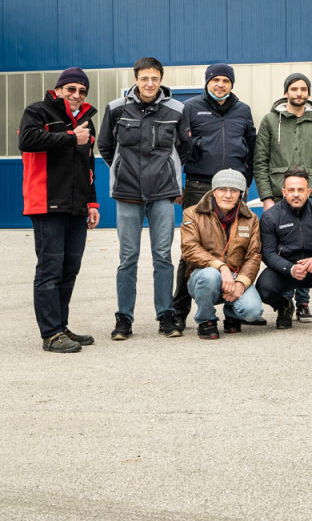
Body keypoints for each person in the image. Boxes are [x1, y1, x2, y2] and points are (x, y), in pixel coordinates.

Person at [98, 57, 191, 340]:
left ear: (161, 79)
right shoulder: (116, 108)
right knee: (128, 258)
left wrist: (167, 172)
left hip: (163, 194)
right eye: (144, 78)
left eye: (155, 78)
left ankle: (165, 315)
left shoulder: (177, 109)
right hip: (127, 195)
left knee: (163, 257)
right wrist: (123, 170)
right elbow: (104, 145)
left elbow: (184, 148)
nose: (149, 84)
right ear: (135, 79)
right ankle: (124, 318)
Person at [19, 68, 100, 354]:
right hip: (46, 202)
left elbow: (87, 167)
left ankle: (61, 326)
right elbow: (27, 141)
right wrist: (69, 137)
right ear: (59, 89)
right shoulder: (37, 111)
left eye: (82, 91)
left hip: (76, 206)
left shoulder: (86, 121)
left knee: (69, 269)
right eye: (71, 89)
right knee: (50, 270)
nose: (77, 95)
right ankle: (50, 334)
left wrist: (92, 203)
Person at [172, 63, 257, 328]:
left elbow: (252, 148)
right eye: (215, 80)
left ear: (232, 84)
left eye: (225, 80)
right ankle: (178, 312)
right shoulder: (191, 107)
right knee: (192, 251)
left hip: (233, 186)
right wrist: (178, 184)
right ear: (207, 82)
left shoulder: (243, 110)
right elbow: (179, 147)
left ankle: (234, 311)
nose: (220, 84)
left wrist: (245, 184)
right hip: (200, 183)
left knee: (237, 246)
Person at [253, 73, 312, 321]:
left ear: (308, 93)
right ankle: (285, 299)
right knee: (284, 248)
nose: (299, 93)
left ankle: (304, 302)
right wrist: (266, 197)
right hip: (280, 197)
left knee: (309, 246)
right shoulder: (269, 121)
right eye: (294, 89)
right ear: (286, 92)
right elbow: (260, 162)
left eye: (303, 89)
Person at [256, 166, 312, 332]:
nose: (296, 194)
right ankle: (285, 307)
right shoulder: (271, 216)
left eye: (300, 189)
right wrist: (290, 268)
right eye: (291, 190)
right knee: (263, 287)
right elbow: (267, 253)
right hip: (287, 271)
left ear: (309, 191)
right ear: (283, 192)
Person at [180, 169, 264, 339]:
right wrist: (221, 267)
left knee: (252, 311)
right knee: (211, 275)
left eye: (233, 190)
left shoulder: (251, 218)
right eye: (222, 189)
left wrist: (240, 283)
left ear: (240, 193)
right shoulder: (193, 213)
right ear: (214, 191)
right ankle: (206, 320)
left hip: (235, 276)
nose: (227, 194)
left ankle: (232, 314)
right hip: (203, 276)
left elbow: (254, 255)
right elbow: (190, 248)